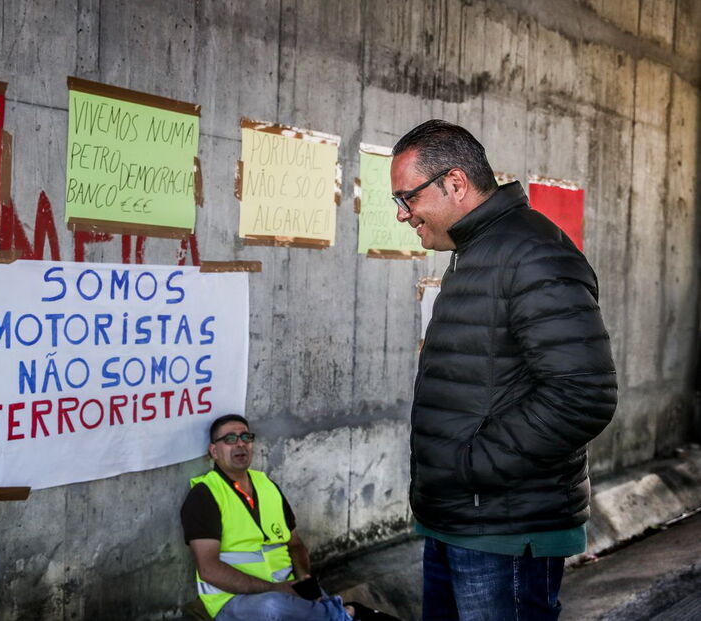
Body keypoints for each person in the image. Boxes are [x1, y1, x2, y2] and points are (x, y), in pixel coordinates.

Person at [391, 120, 617, 620]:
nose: (404, 215)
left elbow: (582, 395)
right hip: (460, 520)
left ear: (454, 183)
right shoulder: (477, 252)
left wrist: (472, 465)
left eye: (407, 198)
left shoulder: (533, 253)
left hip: (503, 531)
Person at [181, 414, 395, 621]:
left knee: (296, 602)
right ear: (214, 451)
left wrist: (303, 577)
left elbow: (295, 543)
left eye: (246, 437)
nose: (240, 444)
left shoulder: (266, 485)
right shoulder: (205, 494)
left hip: (288, 589)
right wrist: (273, 589)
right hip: (235, 600)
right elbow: (209, 569)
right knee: (273, 607)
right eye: (229, 439)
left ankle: (341, 613)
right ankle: (347, 614)